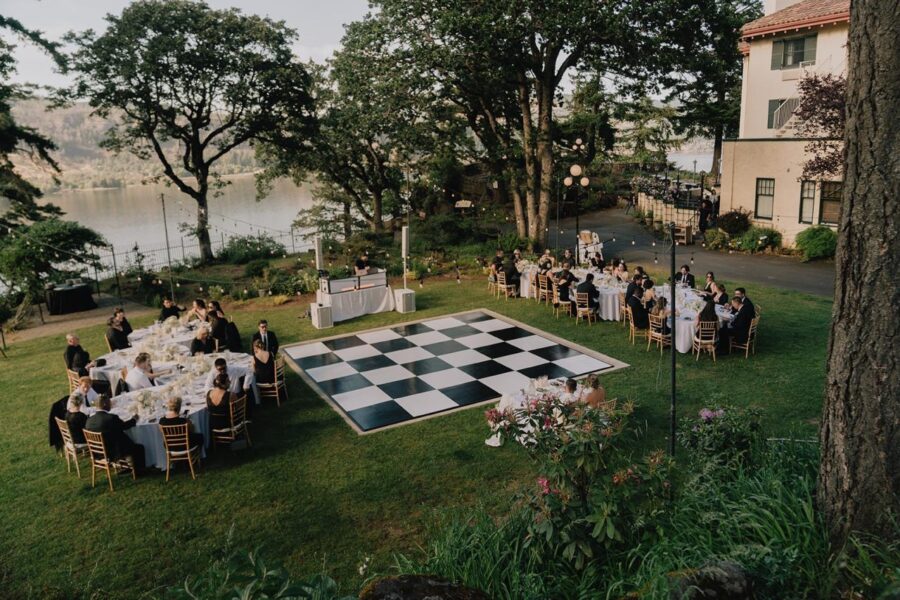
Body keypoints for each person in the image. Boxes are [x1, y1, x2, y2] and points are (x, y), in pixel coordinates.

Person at [84, 393, 145, 473]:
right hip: (112, 450)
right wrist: (134, 419)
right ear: (105, 404)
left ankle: (124, 466)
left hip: (97, 450)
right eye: (110, 403)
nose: (111, 405)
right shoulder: (111, 418)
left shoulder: (89, 420)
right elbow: (124, 426)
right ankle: (139, 471)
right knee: (139, 447)